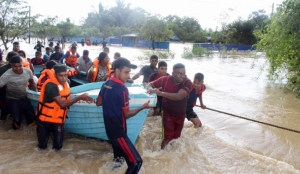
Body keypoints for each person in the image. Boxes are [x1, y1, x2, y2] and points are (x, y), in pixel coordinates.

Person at [96, 57, 150, 173]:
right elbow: (127, 115)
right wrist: (142, 107)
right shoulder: (122, 89)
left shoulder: (106, 84)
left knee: (118, 160)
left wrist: (117, 100)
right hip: (119, 132)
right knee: (136, 162)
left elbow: (98, 102)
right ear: (117, 71)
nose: (128, 76)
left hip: (110, 130)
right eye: (126, 72)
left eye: (129, 72)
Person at [37, 64, 93, 150]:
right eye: (60, 75)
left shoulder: (66, 83)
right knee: (42, 147)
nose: (63, 78)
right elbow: (62, 104)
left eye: (65, 75)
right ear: (55, 75)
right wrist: (80, 97)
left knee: (58, 147)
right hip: (45, 121)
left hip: (58, 120)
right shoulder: (51, 86)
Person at [147, 63, 192, 149]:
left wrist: (160, 93)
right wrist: (150, 89)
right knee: (167, 138)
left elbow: (179, 96)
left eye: (184, 73)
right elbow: (150, 84)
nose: (182, 76)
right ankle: (162, 156)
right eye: (179, 73)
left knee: (176, 139)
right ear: (173, 73)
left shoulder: (187, 82)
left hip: (181, 116)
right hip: (168, 114)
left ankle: (172, 158)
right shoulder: (165, 80)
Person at [0, 55, 37, 129]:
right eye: (15, 66)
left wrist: (37, 92)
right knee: (17, 121)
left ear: (22, 64)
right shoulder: (7, 75)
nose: (18, 68)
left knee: (32, 120)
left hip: (25, 97)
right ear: (11, 65)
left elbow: (32, 82)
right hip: (12, 99)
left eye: (20, 66)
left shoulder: (28, 71)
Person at [0, 52, 18, 120]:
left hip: (15, 90)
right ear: (9, 60)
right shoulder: (2, 69)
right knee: (4, 105)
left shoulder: (19, 68)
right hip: (4, 90)